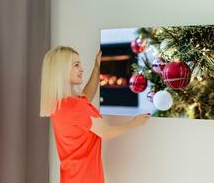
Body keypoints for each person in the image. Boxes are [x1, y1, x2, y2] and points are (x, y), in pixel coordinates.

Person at [39, 46, 150, 183]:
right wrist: (135, 123)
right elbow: (106, 132)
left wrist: (97, 68)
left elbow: (86, 96)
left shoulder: (61, 103)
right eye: (76, 65)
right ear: (62, 70)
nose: (81, 69)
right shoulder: (77, 106)